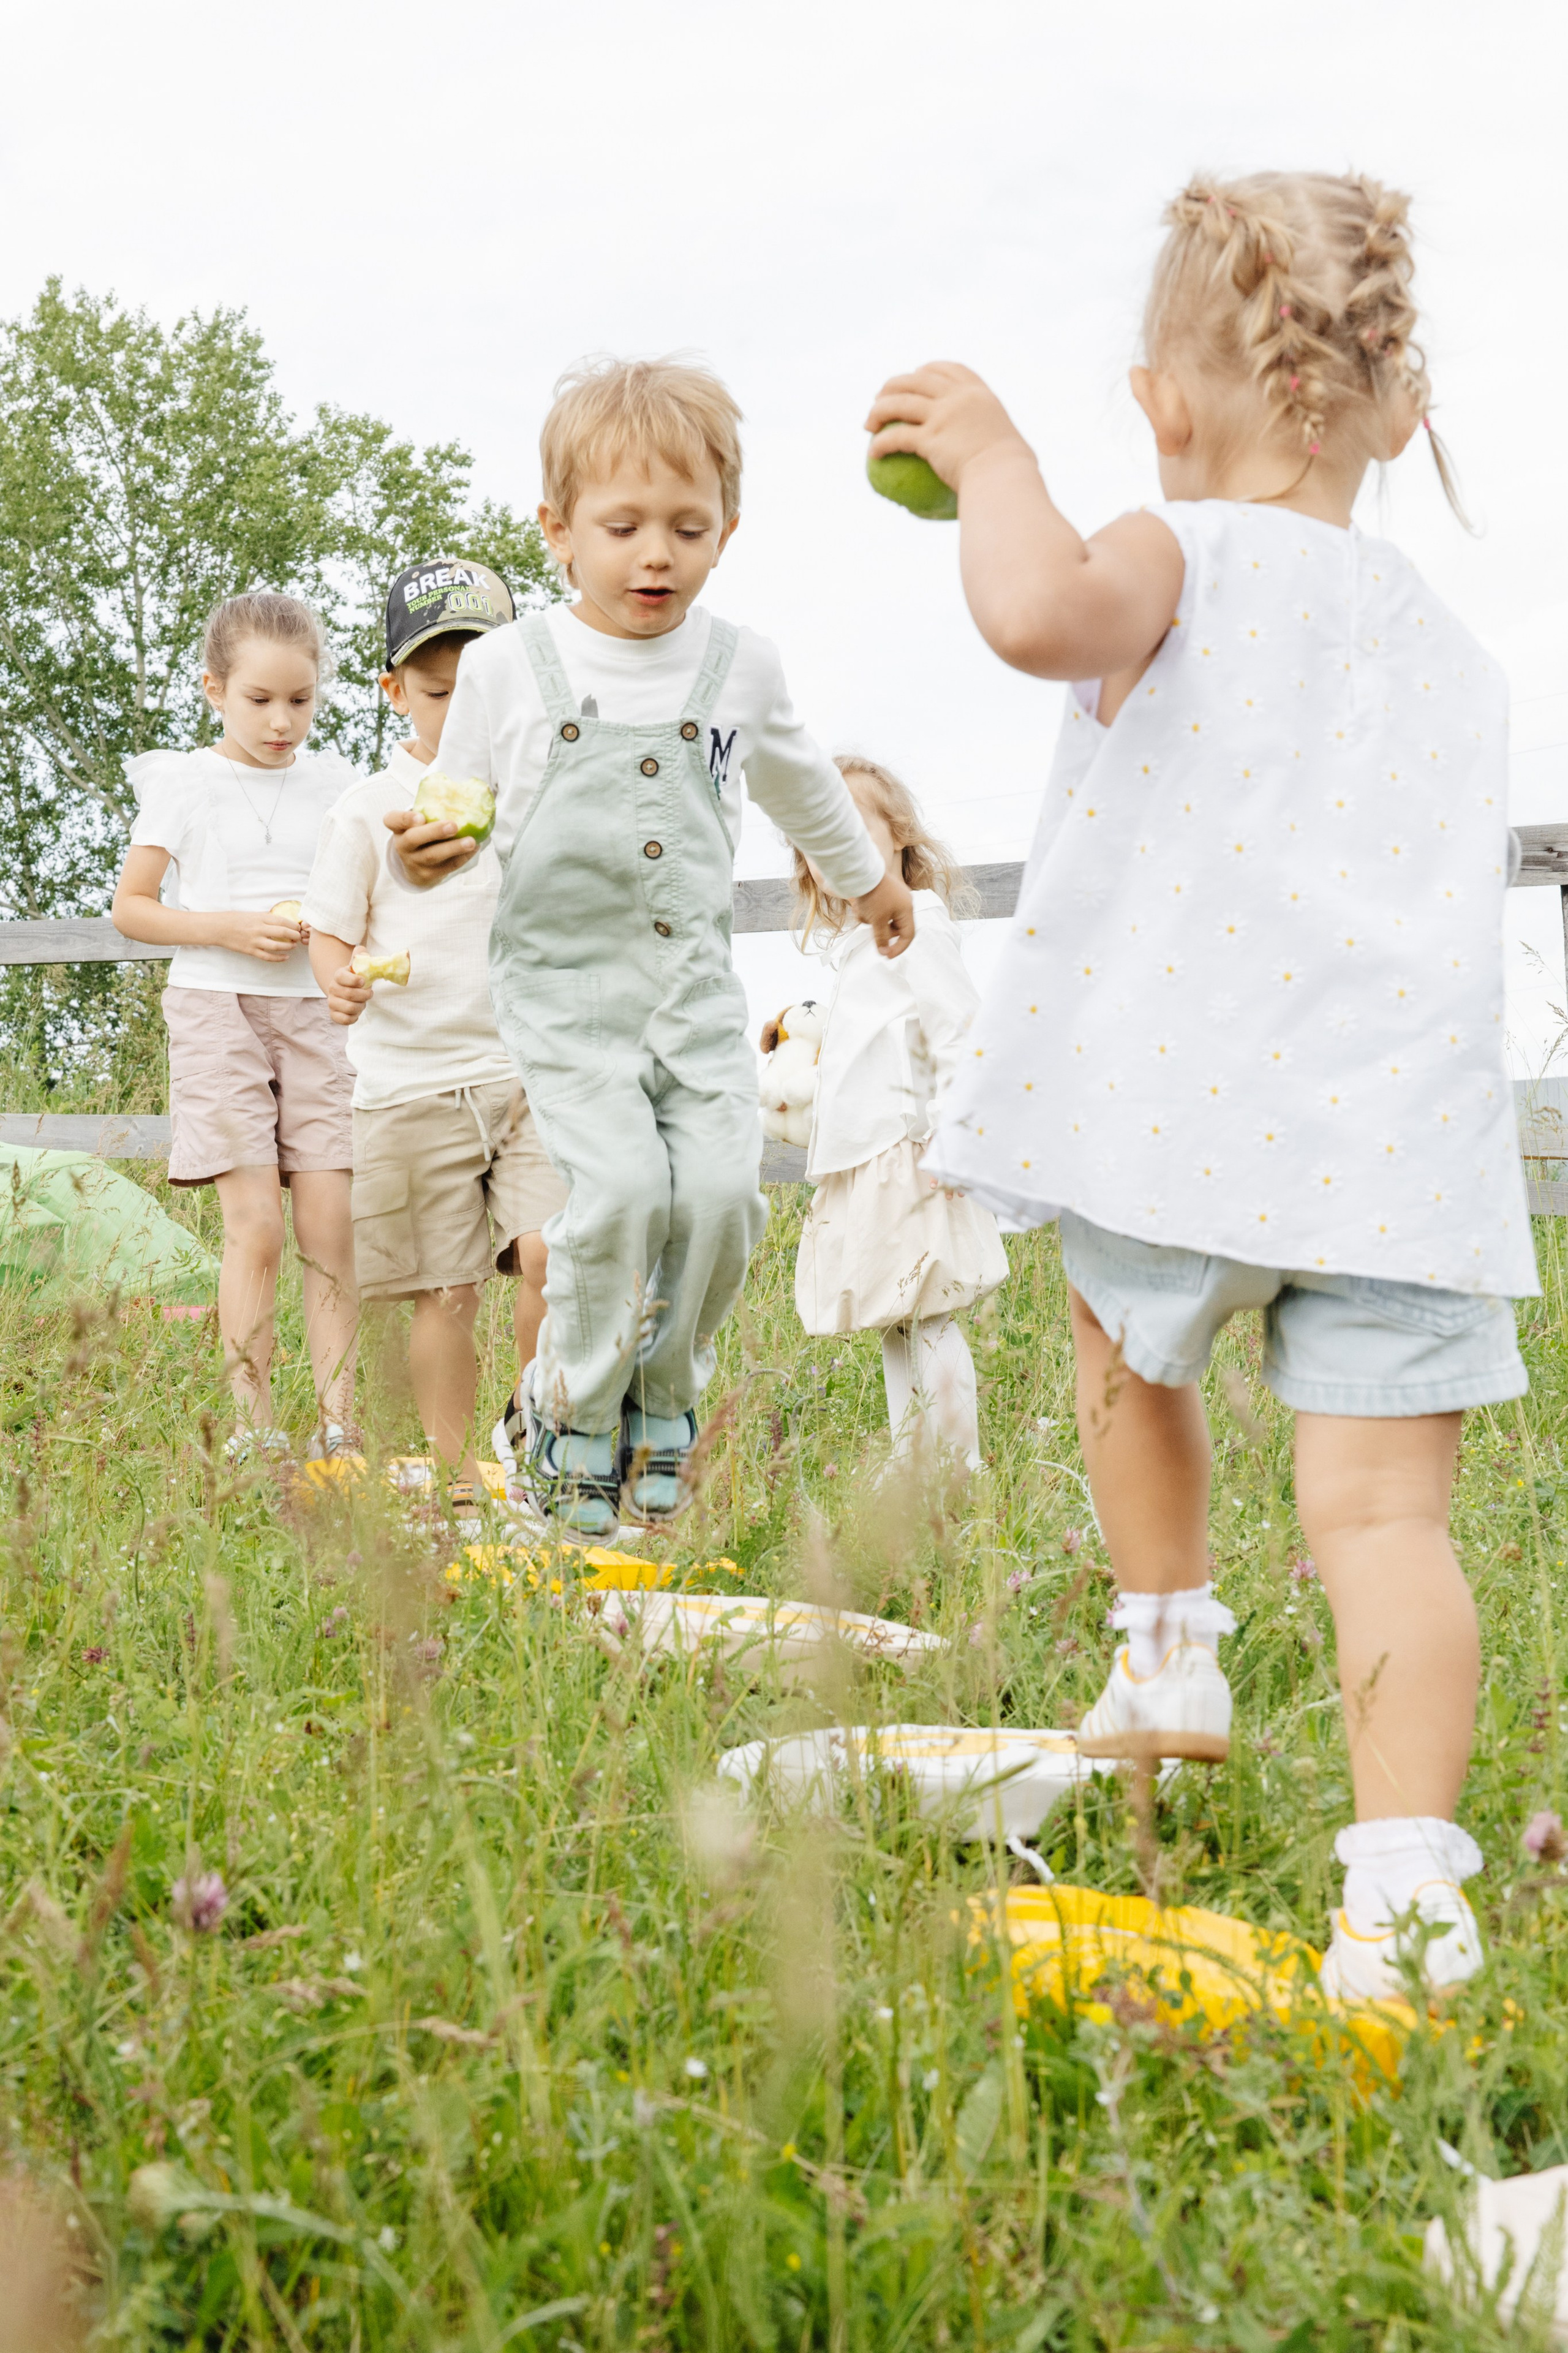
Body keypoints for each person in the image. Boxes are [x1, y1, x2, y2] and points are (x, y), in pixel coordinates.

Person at [870, 172, 1536, 2003]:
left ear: (1162, 408)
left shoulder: (1181, 551)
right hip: (1396, 1161)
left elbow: (1034, 613)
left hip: (1180, 1118)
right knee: (1390, 1525)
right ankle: (1406, 1894)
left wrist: (996, 456)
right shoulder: (1448, 653)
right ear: (1395, 413)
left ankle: (1166, 1641)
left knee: (1114, 1335)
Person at [391, 357, 913, 1544]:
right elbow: (457, 809)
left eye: (686, 527)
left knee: (723, 1198)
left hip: (688, 993)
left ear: (726, 531)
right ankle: (565, 1408)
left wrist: (870, 882)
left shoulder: (740, 667)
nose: (654, 555)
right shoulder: (506, 669)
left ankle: (662, 1398)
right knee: (620, 1192)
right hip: (563, 998)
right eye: (621, 526)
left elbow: (804, 789)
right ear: (557, 532)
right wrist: (431, 851)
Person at [301, 559, 567, 1527]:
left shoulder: (543, 792)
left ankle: (533, 1444)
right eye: (436, 690)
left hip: (532, 1068)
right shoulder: (371, 805)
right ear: (395, 690)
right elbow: (331, 924)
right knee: (446, 1293)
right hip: (412, 1083)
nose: (458, 713)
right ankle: (459, 1478)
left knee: (554, 1255)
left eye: (479, 690)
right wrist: (337, 974)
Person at [111, 592, 360, 1460]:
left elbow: (364, 893)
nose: (283, 720)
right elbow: (132, 909)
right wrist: (227, 926)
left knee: (331, 1220)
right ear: (215, 689)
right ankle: (251, 1425)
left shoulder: (339, 787)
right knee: (255, 1221)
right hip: (217, 1006)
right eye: (260, 700)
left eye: (301, 699)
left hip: (319, 1012)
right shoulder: (186, 783)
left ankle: (339, 1424)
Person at [786, 756, 1008, 1470]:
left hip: (911, 1151)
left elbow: (955, 1029)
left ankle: (956, 1462)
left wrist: (954, 1134)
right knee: (894, 1314)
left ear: (899, 836)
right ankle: (912, 1458)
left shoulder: (921, 922)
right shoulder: (859, 947)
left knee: (929, 1309)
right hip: (867, 1157)